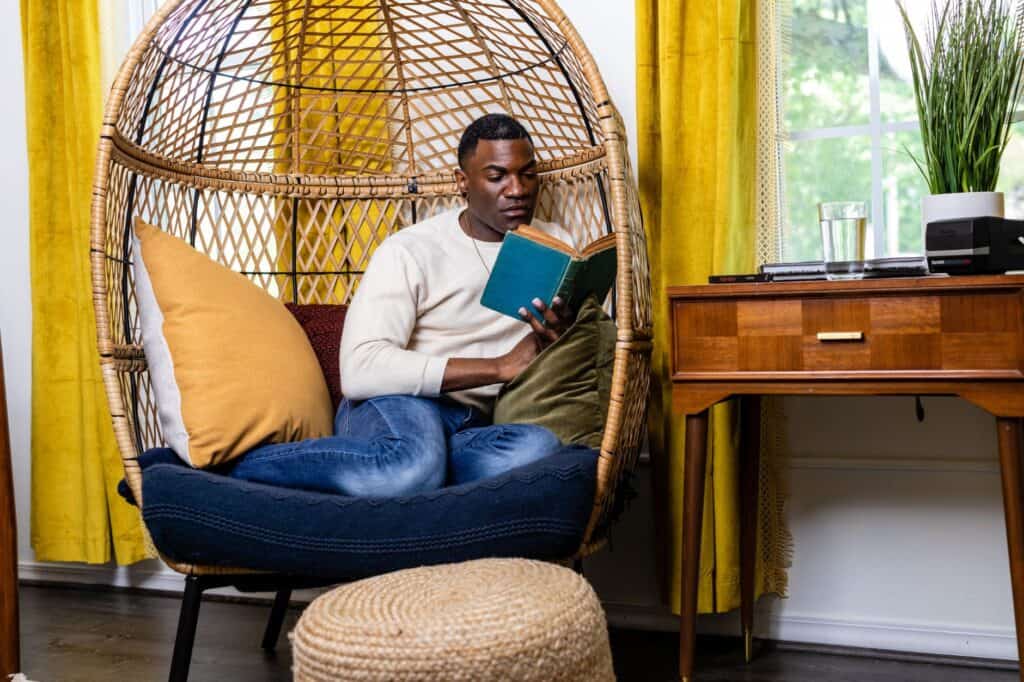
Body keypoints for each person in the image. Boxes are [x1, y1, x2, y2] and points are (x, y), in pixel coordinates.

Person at [228, 114, 575, 497]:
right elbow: (360, 370)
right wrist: (499, 366)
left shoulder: (556, 243)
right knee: (410, 467)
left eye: (527, 175)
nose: (517, 190)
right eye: (497, 177)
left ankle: (418, 472)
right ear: (463, 182)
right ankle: (240, 467)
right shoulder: (411, 250)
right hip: (399, 403)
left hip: (474, 423)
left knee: (538, 450)